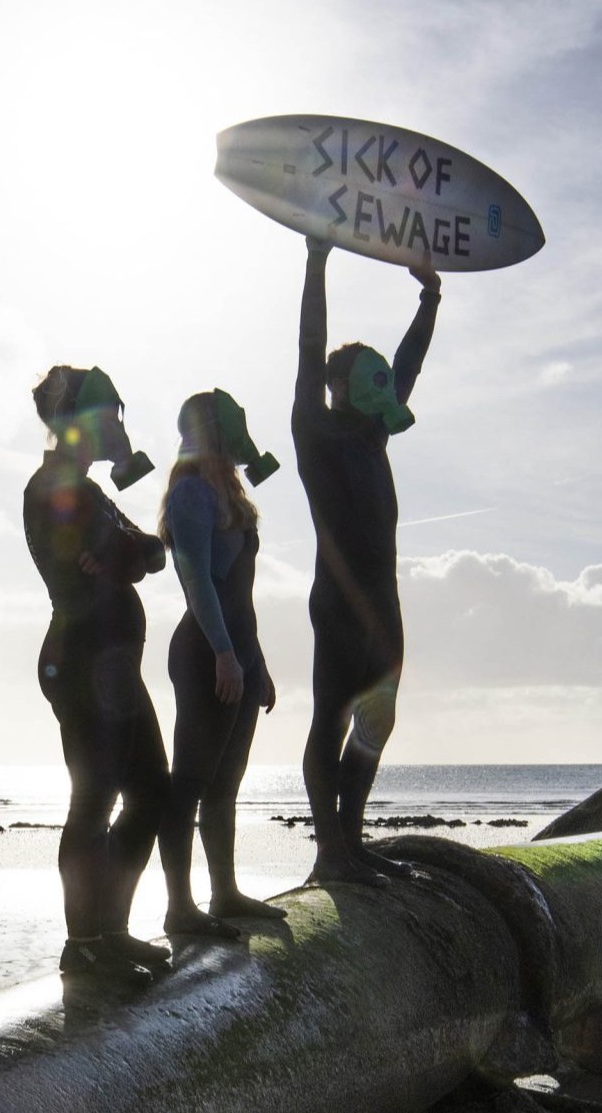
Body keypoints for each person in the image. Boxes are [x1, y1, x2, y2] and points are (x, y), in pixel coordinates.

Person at [293, 236, 440, 887]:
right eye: (368, 378)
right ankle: (330, 850)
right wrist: (317, 261)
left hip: (384, 597)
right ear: (339, 386)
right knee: (332, 717)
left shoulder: (373, 428)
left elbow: (407, 367)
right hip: (338, 599)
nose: (384, 386)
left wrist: (430, 296)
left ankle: (352, 842)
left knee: (378, 717)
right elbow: (309, 348)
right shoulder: (314, 428)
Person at [23, 365, 174, 981]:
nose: (118, 424)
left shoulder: (93, 493)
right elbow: (96, 560)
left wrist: (124, 552)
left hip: (118, 667)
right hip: (81, 660)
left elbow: (153, 552)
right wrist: (126, 554)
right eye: (109, 413)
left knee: (152, 792)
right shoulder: (50, 485)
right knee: (94, 801)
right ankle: (82, 943)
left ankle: (110, 928)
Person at [154, 390, 290, 938]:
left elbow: (244, 595)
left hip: (240, 652)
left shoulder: (228, 491)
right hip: (205, 652)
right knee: (189, 780)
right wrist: (225, 654)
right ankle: (179, 906)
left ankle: (225, 893)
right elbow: (198, 583)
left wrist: (257, 663)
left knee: (226, 784)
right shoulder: (190, 492)